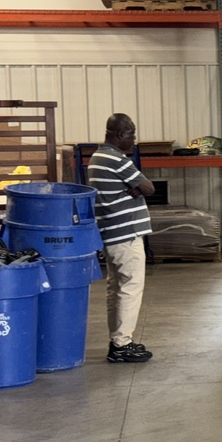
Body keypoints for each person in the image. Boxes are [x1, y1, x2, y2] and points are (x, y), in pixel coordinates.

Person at [87, 113, 155, 363]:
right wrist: (136, 188)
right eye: (132, 135)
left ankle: (117, 340)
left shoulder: (97, 158)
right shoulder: (116, 159)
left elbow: (141, 188)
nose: (134, 140)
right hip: (126, 234)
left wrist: (135, 188)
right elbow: (149, 188)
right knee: (130, 287)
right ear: (120, 134)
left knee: (116, 288)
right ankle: (122, 344)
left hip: (110, 233)